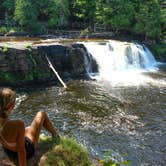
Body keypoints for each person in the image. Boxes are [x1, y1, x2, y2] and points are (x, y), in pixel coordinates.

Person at [0, 88, 59, 166]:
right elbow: (21, 151)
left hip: (8, 149)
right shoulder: (18, 124)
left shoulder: (7, 123)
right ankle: (56, 136)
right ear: (11, 105)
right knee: (41, 114)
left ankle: (54, 135)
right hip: (27, 149)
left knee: (28, 128)